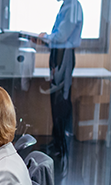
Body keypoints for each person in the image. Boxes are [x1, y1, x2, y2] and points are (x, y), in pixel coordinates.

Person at [39, 0, 83, 167]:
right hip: (58, 54)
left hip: (64, 55)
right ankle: (56, 142)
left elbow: (61, 36)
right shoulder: (66, 5)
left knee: (61, 99)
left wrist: (45, 38)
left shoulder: (73, 6)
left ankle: (61, 146)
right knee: (55, 99)